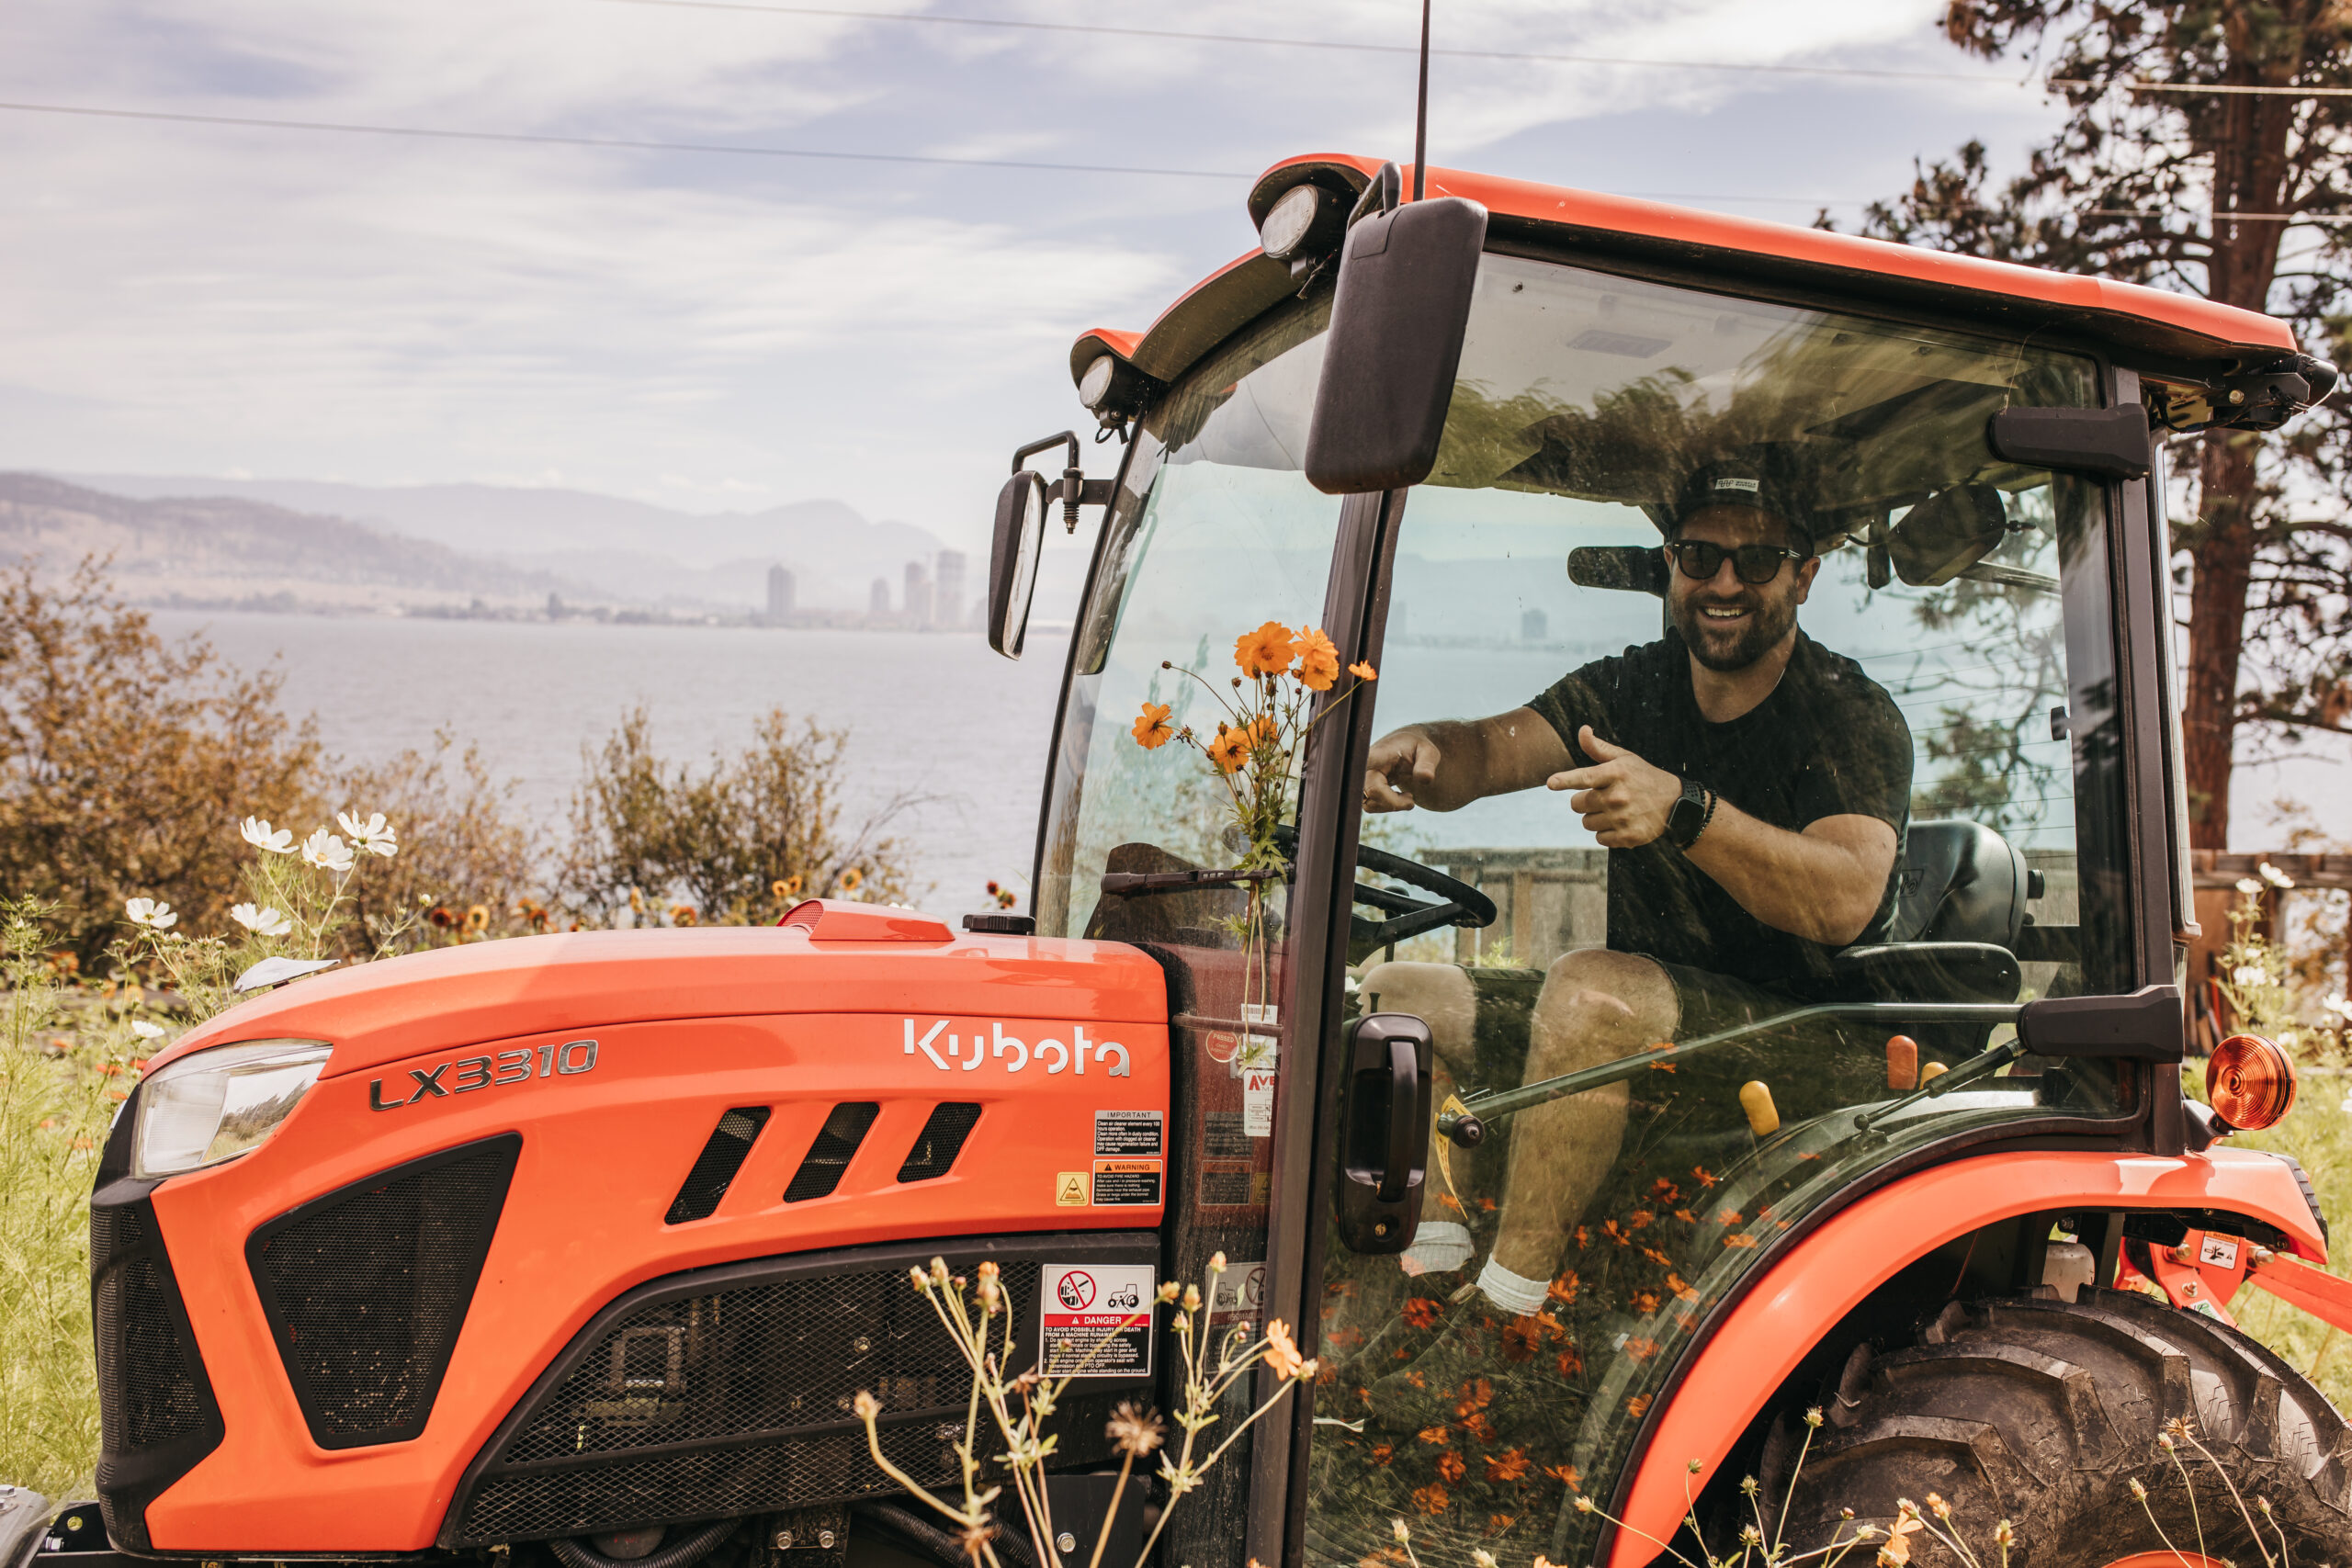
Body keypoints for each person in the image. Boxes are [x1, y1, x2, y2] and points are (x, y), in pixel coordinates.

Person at [1353, 450, 1913, 1423]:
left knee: (1591, 990)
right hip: (1658, 1023)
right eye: (1700, 556)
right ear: (1670, 565)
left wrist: (1686, 811)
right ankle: (1430, 1277)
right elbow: (1493, 748)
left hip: (1809, 1043)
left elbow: (1845, 900)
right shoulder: (1631, 686)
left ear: (1803, 574)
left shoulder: (1847, 713)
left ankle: (1507, 1330)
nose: (1724, 583)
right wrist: (1425, 753)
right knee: (1406, 993)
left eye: (1756, 560)